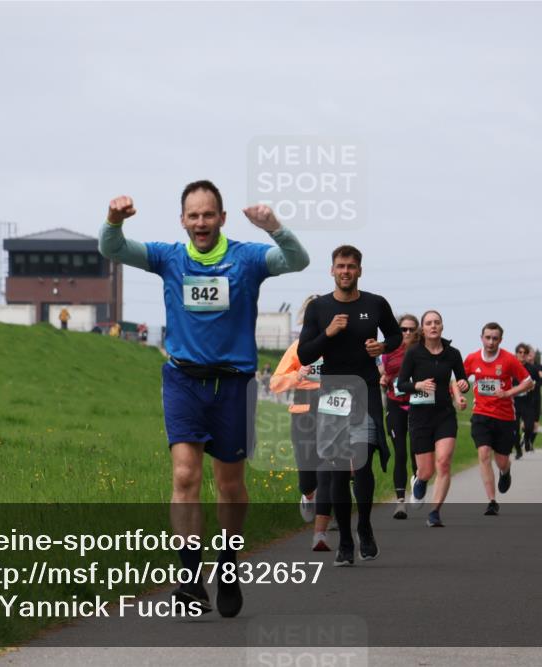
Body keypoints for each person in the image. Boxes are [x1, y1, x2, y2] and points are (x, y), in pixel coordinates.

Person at [99, 180, 309, 617]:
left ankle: (228, 566)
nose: (200, 223)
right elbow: (114, 249)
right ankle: (190, 578)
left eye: (208, 214)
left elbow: (297, 260)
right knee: (184, 478)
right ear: (182, 220)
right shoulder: (169, 257)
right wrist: (114, 220)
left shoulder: (247, 259)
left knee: (230, 485)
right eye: (192, 215)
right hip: (184, 381)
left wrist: (274, 227)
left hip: (233, 385)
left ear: (222, 218)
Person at [298, 245, 401, 566]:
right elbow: (304, 355)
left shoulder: (375, 303)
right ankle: (344, 540)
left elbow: (396, 336)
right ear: (332, 270)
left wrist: (382, 346)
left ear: (359, 270)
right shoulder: (319, 308)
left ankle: (365, 527)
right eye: (340, 266)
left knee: (363, 462)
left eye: (351, 266)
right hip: (333, 393)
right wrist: (328, 333)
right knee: (339, 471)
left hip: (366, 389)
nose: (346, 271)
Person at [270, 296, 333, 552]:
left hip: (333, 411)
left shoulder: (339, 345)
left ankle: (320, 534)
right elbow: (275, 383)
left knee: (327, 470)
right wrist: (298, 375)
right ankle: (308, 494)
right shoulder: (297, 347)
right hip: (303, 412)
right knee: (307, 475)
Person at [396, 310, 468, 527]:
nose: (433, 326)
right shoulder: (413, 353)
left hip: (445, 414)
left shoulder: (453, 353)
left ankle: (434, 512)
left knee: (444, 462)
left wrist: (464, 385)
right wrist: (417, 385)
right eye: (429, 323)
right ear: (423, 329)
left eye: (437, 322)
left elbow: (462, 378)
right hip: (420, 416)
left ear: (442, 327)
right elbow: (401, 384)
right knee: (427, 470)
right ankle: (420, 480)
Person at [462, 322, 533, 516]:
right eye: (488, 337)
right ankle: (492, 500)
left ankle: (505, 470)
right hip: (481, 415)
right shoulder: (472, 358)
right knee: (484, 453)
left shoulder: (509, 360)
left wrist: (508, 392)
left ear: (500, 340)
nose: (491, 342)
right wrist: (460, 391)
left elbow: (528, 382)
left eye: (495, 338)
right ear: (481, 338)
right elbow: (460, 379)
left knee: (501, 461)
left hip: (504, 417)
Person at [377, 314, 419, 519]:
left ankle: (418, 478)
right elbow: (380, 368)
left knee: (416, 454)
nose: (407, 333)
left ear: (417, 331)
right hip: (395, 406)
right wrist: (382, 376)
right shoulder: (390, 350)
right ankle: (400, 502)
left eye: (412, 329)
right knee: (400, 453)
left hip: (419, 406)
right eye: (404, 329)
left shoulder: (423, 350)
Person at [512, 343, 539, 460]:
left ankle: (527, 440)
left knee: (529, 427)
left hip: (528, 402)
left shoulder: (533, 369)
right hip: (513, 402)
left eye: (525, 353)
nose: (522, 355)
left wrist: (532, 386)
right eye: (520, 352)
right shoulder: (511, 366)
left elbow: (537, 384)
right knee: (514, 429)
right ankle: (518, 449)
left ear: (528, 355)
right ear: (516, 354)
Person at [526, 347, 542, 449]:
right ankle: (525, 437)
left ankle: (530, 442)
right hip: (524, 397)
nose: (529, 356)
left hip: (536, 397)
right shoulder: (522, 367)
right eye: (528, 354)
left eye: (531, 354)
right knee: (525, 423)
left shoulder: (540, 367)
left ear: (534, 355)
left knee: (535, 423)